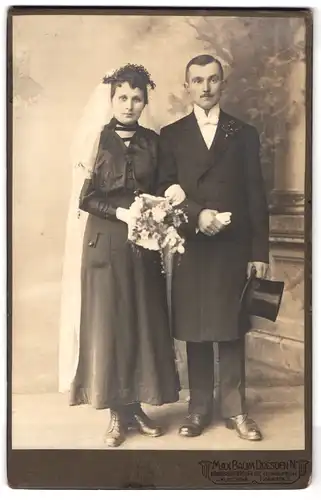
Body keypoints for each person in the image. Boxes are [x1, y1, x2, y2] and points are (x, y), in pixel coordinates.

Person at [60, 64, 180, 448]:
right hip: (104, 244)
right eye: (123, 97)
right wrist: (121, 212)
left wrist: (168, 194)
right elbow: (85, 197)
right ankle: (116, 414)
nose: (130, 104)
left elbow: (160, 184)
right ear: (112, 99)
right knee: (110, 326)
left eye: (137, 98)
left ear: (145, 102)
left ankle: (136, 407)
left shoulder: (152, 142)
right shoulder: (96, 140)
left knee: (142, 322)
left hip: (142, 246)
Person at [157, 54, 269, 441]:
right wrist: (196, 214)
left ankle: (237, 411)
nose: (205, 87)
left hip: (233, 246)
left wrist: (259, 252)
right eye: (197, 80)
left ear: (223, 84)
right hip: (192, 246)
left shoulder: (244, 133)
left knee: (232, 328)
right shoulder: (170, 135)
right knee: (196, 328)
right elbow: (163, 191)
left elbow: (256, 195)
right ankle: (199, 409)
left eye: (213, 80)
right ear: (186, 86)